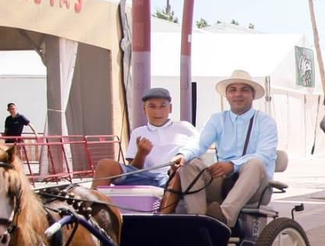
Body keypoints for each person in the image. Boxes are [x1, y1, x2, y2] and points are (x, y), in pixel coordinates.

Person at [168, 69, 279, 227]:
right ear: (227, 95)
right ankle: (198, 222)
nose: (237, 94)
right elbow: (199, 142)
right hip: (222, 184)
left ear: (253, 95)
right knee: (189, 165)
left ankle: (223, 219)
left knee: (255, 163)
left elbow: (265, 155)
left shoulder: (266, 121)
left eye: (244, 90)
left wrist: (232, 165)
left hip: (255, 187)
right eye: (232, 90)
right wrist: (183, 155)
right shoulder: (217, 119)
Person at [92, 87, 199, 209]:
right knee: (105, 165)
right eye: (152, 106)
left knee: (179, 173)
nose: (157, 112)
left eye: (162, 106)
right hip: (144, 176)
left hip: (171, 177)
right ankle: (90, 211)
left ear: (170, 108)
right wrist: (142, 154)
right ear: (144, 109)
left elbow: (200, 148)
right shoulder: (138, 132)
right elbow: (134, 169)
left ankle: (161, 219)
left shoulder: (185, 127)